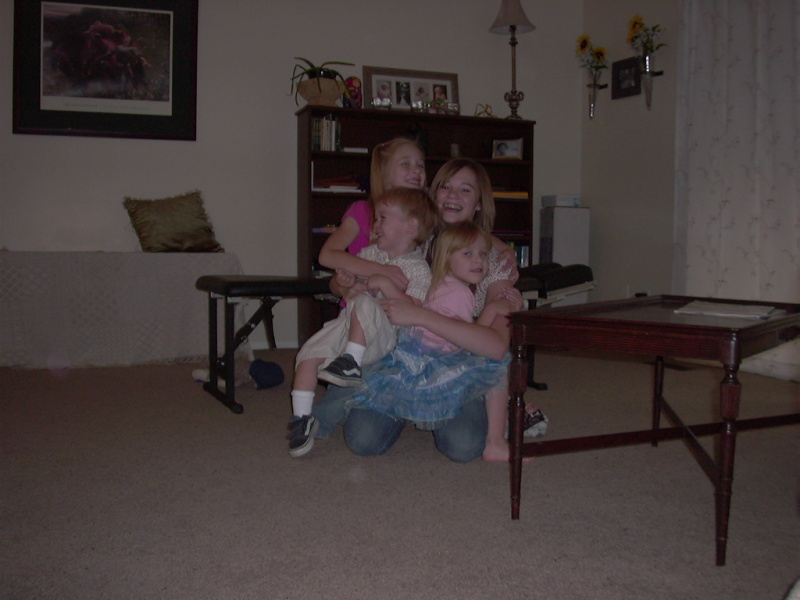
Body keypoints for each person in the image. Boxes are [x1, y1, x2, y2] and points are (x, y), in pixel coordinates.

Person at [314, 158, 530, 462]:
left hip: (455, 368)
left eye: (465, 190)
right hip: (398, 360)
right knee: (362, 440)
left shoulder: (490, 260)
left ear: (480, 203)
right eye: (445, 187)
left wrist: (421, 316)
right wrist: (342, 286)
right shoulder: (411, 238)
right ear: (432, 193)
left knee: (463, 446)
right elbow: (351, 274)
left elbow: (496, 347)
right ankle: (406, 407)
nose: (453, 195)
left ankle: (489, 418)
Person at [287, 188, 436, 457]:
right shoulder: (369, 254)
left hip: (384, 335)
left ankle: (351, 362)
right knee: (308, 353)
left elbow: (414, 311)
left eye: (383, 218)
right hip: (349, 326)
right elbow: (352, 290)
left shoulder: (417, 268)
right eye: (376, 218)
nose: (376, 224)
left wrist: (385, 285)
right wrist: (348, 283)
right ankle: (302, 419)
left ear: (411, 226)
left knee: (367, 303)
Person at [343, 221, 511, 449]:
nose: (478, 260)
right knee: (493, 368)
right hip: (435, 359)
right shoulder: (460, 293)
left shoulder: (439, 284)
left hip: (410, 354)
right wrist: (492, 309)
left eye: (483, 254)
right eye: (468, 254)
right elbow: (467, 342)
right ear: (446, 258)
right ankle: (496, 437)